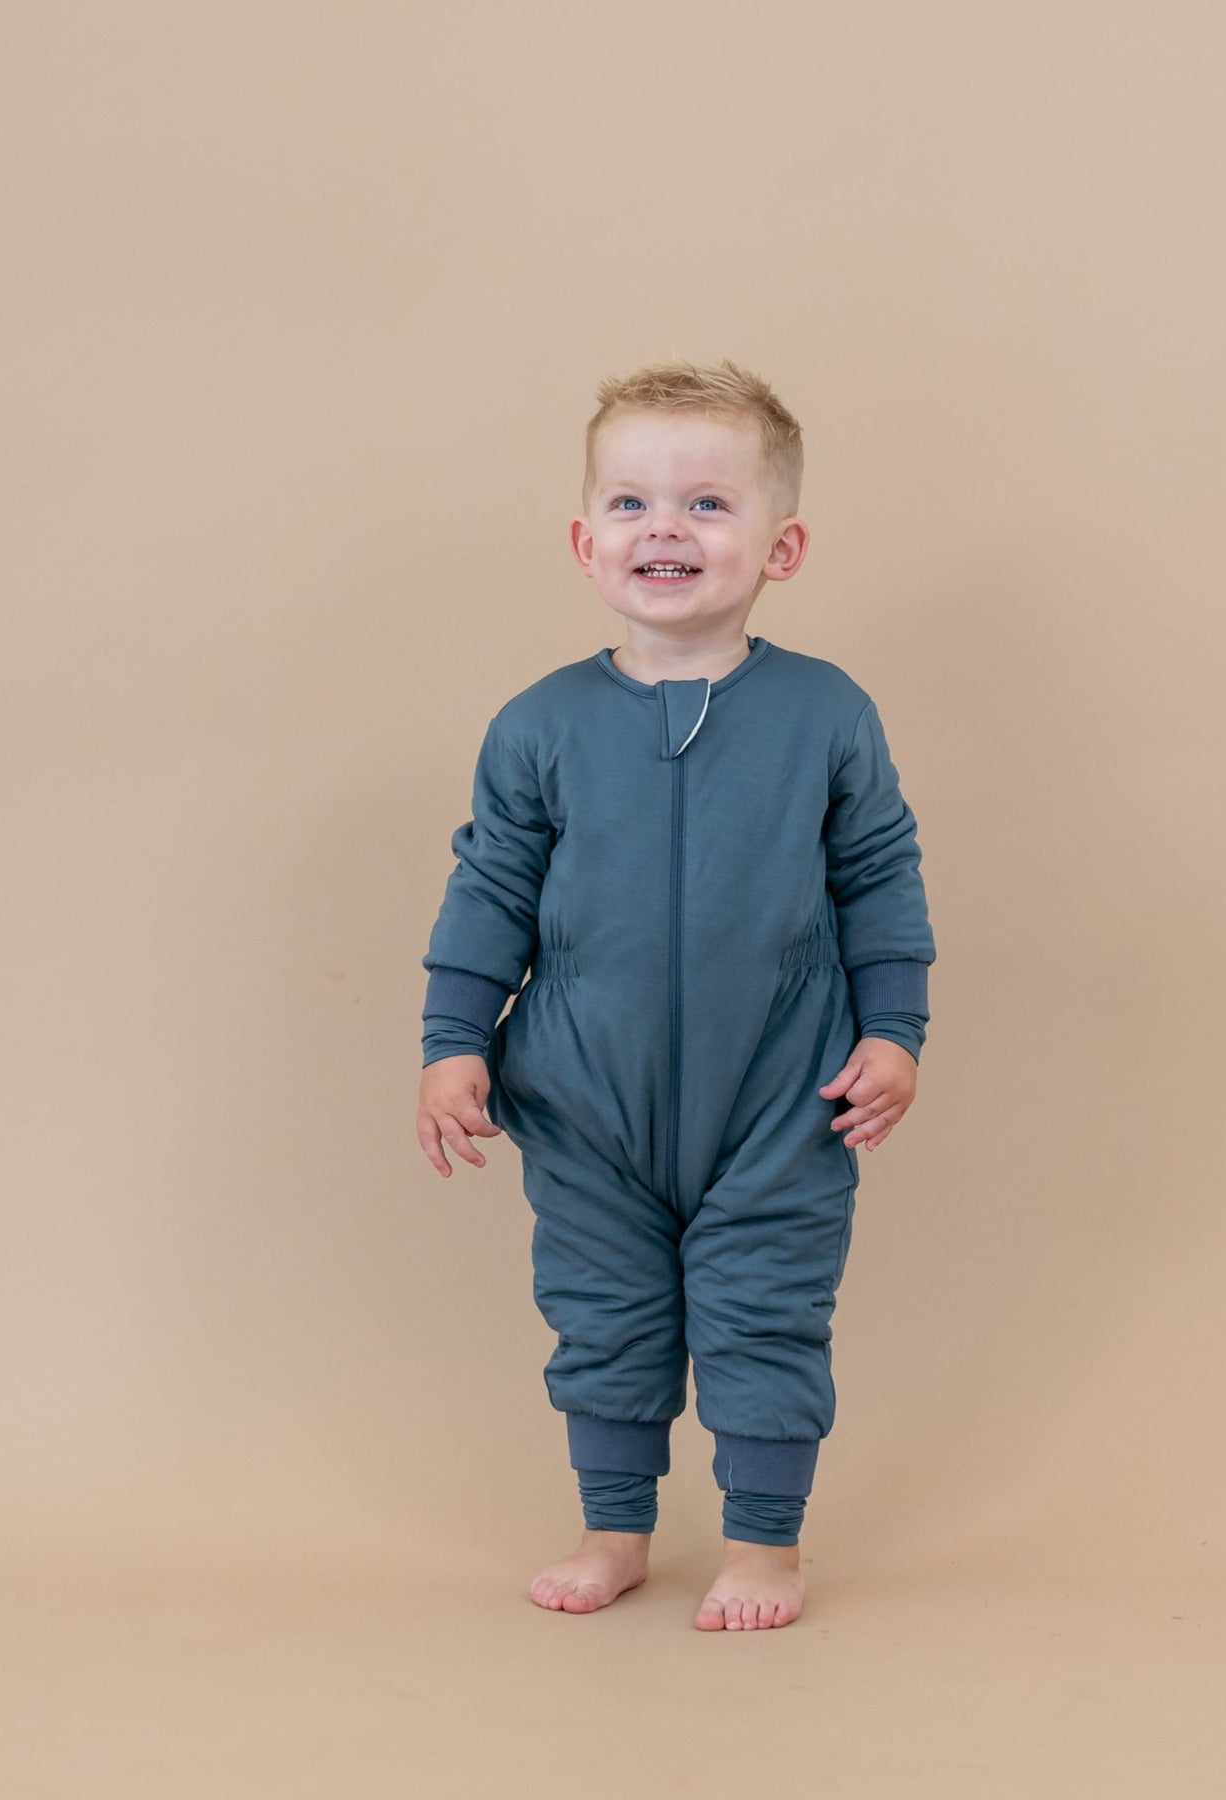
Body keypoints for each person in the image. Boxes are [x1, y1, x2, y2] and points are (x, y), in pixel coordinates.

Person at [415, 357, 936, 1631]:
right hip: (582, 1093)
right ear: (587, 541)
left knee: (766, 1309)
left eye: (709, 505)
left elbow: (878, 872)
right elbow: (490, 889)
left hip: (781, 1090)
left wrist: (894, 1030)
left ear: (782, 543)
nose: (668, 529)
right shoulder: (538, 724)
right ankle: (616, 1531)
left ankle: (764, 1545)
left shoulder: (825, 712)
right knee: (601, 1312)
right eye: (636, 504)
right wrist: (452, 1041)